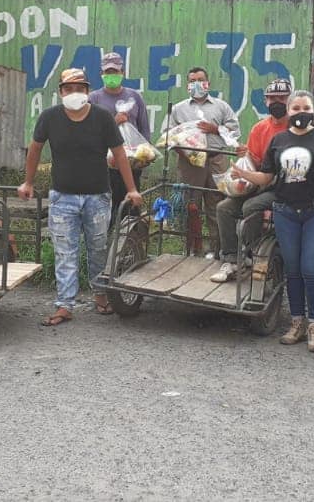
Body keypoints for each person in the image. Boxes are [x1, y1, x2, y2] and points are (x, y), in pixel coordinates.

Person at [234, 92, 314, 353]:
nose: (301, 112)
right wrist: (243, 173)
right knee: (292, 270)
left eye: (306, 107)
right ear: (289, 111)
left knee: (311, 269)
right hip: (285, 212)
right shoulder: (278, 140)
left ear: (313, 110)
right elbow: (266, 178)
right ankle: (297, 323)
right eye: (296, 107)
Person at [18, 68, 143, 326]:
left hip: (97, 197)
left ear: (87, 91)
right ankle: (64, 305)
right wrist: (28, 182)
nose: (74, 93)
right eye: (68, 88)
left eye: (79, 88)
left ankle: (100, 295)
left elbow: (119, 153)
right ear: (60, 92)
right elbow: (35, 148)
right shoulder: (49, 117)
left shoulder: (102, 118)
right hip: (62, 197)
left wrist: (131, 189)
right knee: (65, 251)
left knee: (98, 248)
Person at [211, 78, 293, 282]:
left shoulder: (295, 128)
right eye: (272, 98)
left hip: (284, 187)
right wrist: (244, 162)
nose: (277, 102)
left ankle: (256, 253)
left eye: (282, 98)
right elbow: (255, 162)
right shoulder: (259, 128)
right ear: (265, 101)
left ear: (289, 100)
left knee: (251, 206)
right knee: (224, 208)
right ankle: (232, 259)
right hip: (259, 181)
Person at [165, 66, 241, 258]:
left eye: (200, 80)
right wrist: (184, 151)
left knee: (218, 205)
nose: (197, 84)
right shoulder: (178, 109)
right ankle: (193, 249)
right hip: (189, 163)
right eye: (192, 81)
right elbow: (167, 136)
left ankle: (218, 249)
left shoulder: (221, 106)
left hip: (216, 160)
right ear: (187, 85)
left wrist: (215, 129)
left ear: (208, 83)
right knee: (190, 206)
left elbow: (235, 132)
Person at [89, 51, 149, 217]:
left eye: (115, 71)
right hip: (104, 166)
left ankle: (130, 232)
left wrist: (143, 156)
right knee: (105, 208)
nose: (111, 75)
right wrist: (113, 123)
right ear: (101, 74)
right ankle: (107, 233)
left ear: (122, 72)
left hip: (132, 164)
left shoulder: (135, 97)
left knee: (130, 207)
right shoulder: (93, 99)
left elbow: (144, 129)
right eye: (107, 72)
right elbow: (89, 132)